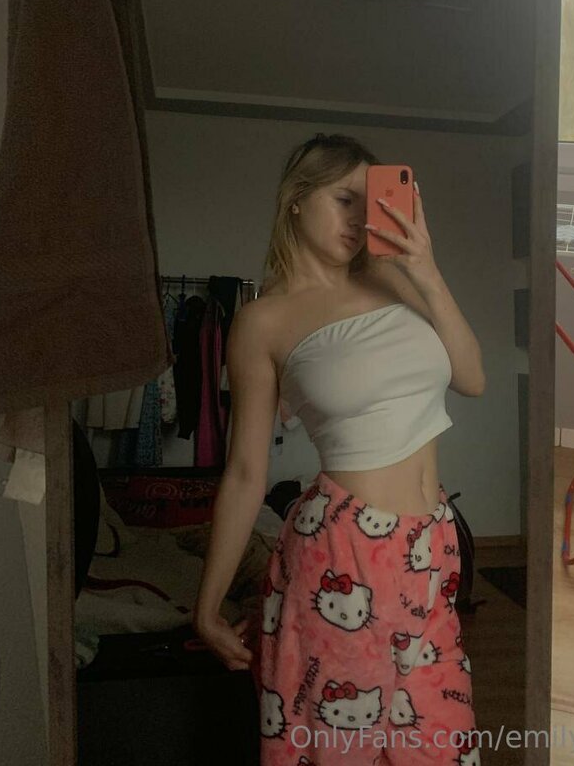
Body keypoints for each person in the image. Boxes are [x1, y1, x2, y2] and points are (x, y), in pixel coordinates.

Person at [193, 132, 486, 765]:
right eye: (342, 199)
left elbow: (472, 377)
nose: (358, 219)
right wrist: (207, 605)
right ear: (296, 199)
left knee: (443, 744)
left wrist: (426, 270)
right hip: (344, 552)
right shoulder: (264, 320)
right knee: (340, 749)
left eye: (368, 202)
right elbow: (245, 471)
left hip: (433, 546)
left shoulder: (394, 281)